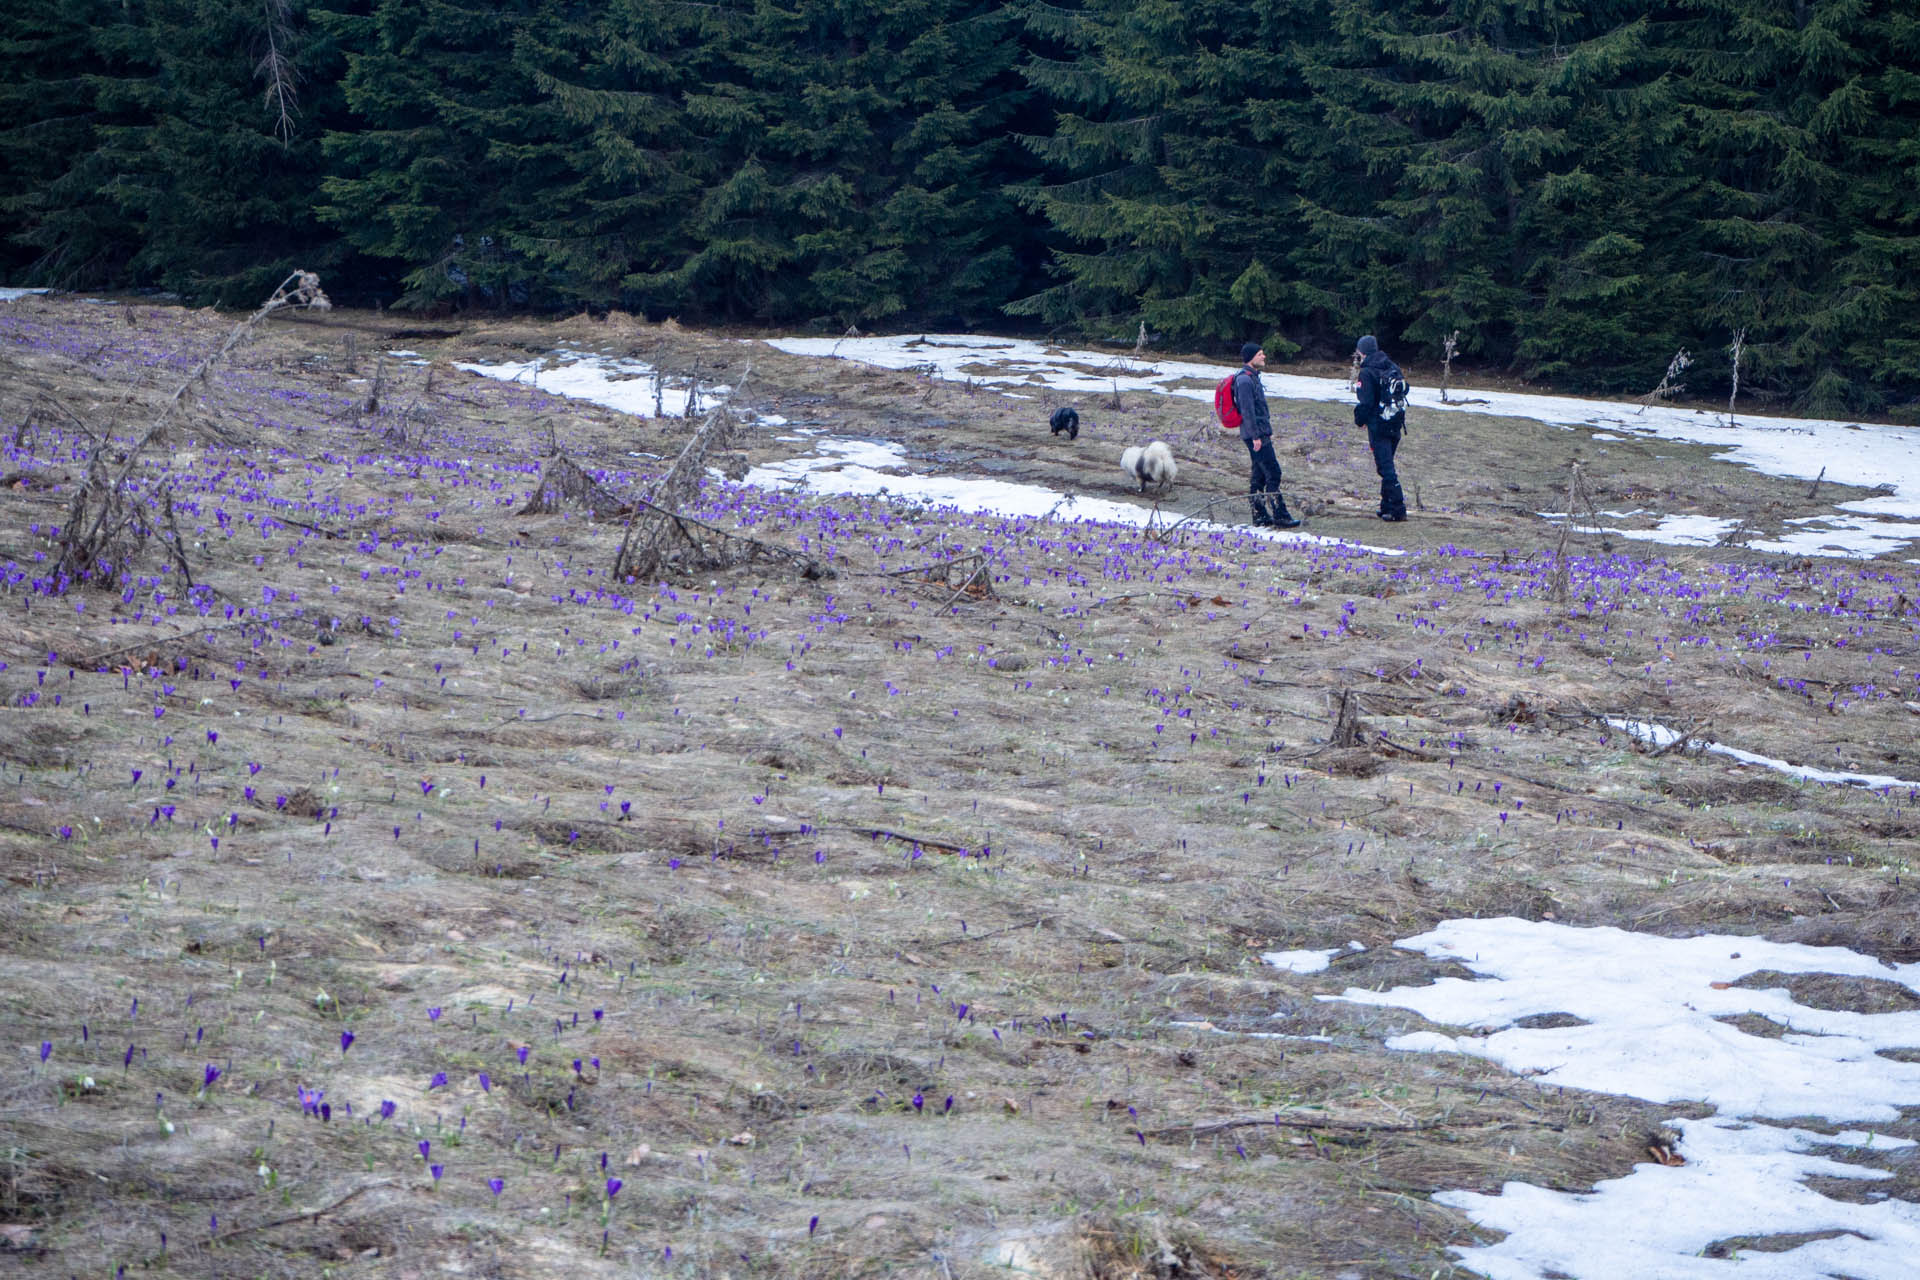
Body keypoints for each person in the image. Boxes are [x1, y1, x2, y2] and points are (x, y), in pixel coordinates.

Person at [1232, 343, 1300, 528]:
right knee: (1273, 472)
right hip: (1256, 435)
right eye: (1260, 354)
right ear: (1251, 358)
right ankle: (1280, 515)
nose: (1264, 357)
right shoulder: (1245, 381)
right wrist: (1256, 437)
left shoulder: (1250, 377)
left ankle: (1260, 515)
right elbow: (1248, 411)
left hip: (1257, 433)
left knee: (1259, 474)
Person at [1352, 334, 1407, 522]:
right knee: (1387, 463)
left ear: (1362, 352)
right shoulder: (1392, 366)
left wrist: (1359, 420)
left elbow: (1366, 403)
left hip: (1379, 425)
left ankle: (1398, 508)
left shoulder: (1366, 372)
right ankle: (1386, 506)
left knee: (1385, 468)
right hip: (1395, 422)